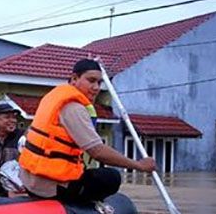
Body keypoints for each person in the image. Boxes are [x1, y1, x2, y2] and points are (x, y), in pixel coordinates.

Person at [19, 59, 156, 204]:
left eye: (99, 82)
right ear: (74, 79)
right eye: (91, 81)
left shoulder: (51, 98)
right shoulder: (73, 108)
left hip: (29, 179)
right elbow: (97, 151)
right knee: (111, 177)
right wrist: (139, 166)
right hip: (49, 187)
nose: (96, 87)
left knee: (83, 169)